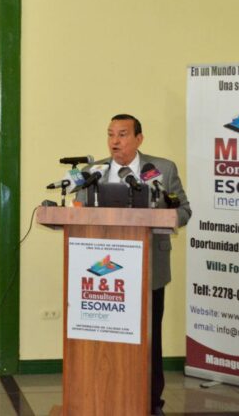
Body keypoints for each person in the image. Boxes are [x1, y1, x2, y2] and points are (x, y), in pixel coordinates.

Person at [77, 113, 191, 416]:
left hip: (149, 268)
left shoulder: (162, 169)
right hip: (104, 274)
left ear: (139, 138)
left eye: (122, 134)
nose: (115, 141)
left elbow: (184, 210)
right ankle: (102, 398)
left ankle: (151, 403)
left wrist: (165, 218)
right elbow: (78, 211)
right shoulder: (93, 172)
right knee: (105, 337)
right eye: (110, 134)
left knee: (149, 338)